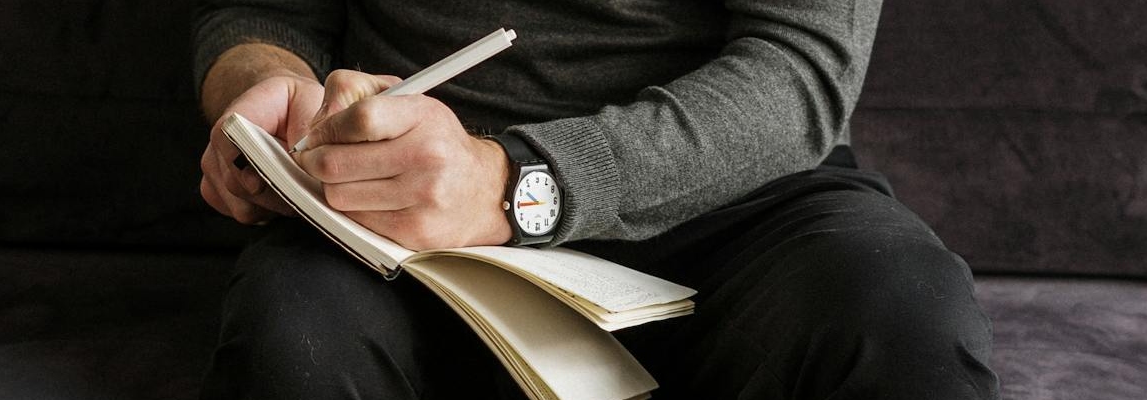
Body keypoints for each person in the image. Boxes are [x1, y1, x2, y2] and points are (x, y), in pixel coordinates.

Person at [192, 0, 1000, 398]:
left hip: (734, 195)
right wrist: (266, 88)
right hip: (397, 206)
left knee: (902, 312)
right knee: (293, 336)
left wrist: (513, 183)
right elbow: (261, 14)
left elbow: (801, 71)